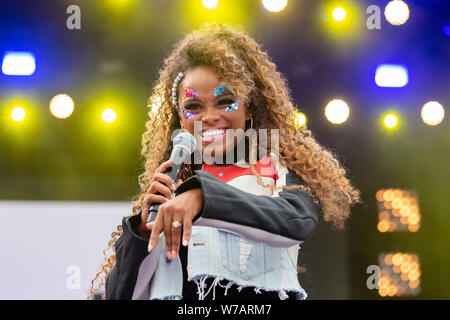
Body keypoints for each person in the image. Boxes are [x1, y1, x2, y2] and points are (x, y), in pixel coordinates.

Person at [88, 22, 361, 300]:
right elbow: (121, 295)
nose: (209, 117)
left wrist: (202, 198)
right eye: (193, 107)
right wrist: (143, 232)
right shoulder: (169, 189)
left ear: (249, 106)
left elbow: (296, 220)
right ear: (180, 119)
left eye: (225, 101)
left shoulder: (275, 170)